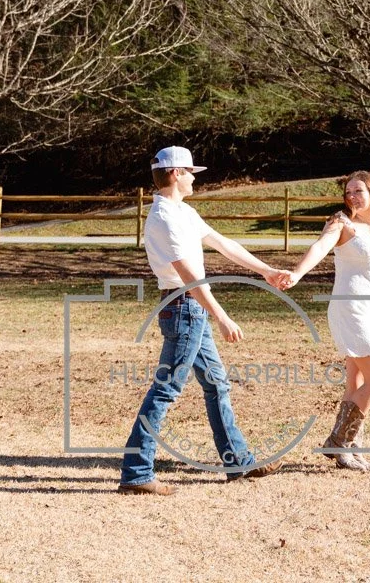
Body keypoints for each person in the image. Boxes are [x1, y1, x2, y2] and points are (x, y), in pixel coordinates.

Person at [118, 145, 293, 496]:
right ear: (175, 174)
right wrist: (223, 317)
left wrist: (266, 271)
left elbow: (223, 244)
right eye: (190, 172)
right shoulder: (164, 218)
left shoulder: (183, 212)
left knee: (216, 385)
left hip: (189, 308)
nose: (195, 178)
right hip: (184, 307)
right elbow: (187, 275)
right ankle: (137, 473)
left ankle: (238, 461)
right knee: (167, 389)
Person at [275, 170, 370, 472]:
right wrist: (297, 273)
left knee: (356, 381)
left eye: (358, 191)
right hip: (349, 307)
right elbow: (319, 248)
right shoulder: (341, 224)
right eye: (349, 192)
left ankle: (348, 448)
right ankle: (339, 441)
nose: (353, 196)